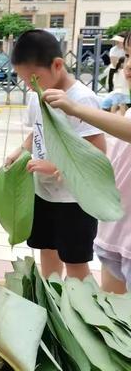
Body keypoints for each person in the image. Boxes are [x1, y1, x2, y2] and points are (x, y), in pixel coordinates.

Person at [6, 30, 106, 280]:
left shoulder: (82, 99)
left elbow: (97, 150)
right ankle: (53, 296)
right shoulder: (36, 95)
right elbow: (36, 133)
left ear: (57, 65)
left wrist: (54, 166)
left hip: (74, 201)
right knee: (47, 250)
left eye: (34, 78)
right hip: (43, 193)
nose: (29, 85)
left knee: (75, 261)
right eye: (24, 80)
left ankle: (77, 309)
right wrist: (20, 151)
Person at [43, 34, 131, 293]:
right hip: (116, 233)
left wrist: (76, 109)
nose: (128, 65)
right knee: (114, 320)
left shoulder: (80, 101)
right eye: (128, 55)